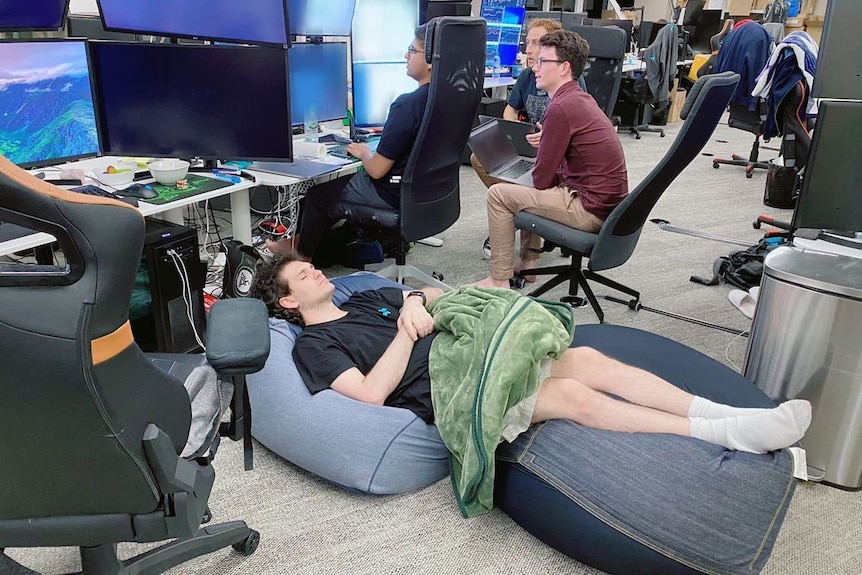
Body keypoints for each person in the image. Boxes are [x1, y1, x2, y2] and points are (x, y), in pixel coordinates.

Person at [250, 252, 812, 455]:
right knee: (568, 393)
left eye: (314, 265)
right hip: (452, 390)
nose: (319, 272)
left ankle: (728, 414)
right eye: (305, 275)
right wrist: (406, 330)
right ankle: (726, 436)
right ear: (288, 302)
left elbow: (440, 297)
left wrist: (418, 301)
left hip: (476, 347)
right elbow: (371, 395)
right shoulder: (315, 346)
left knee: (591, 360)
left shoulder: (367, 293)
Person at [473, 29, 629, 289]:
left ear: (564, 67)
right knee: (518, 187)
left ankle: (498, 281)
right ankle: (528, 263)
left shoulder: (559, 108)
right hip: (605, 205)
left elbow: (542, 180)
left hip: (589, 209)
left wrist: (532, 166)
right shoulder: (578, 99)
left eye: (543, 61)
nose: (535, 67)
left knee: (499, 195)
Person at [266, 24, 432, 260]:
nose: (406, 55)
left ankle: (303, 259)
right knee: (337, 186)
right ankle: (303, 243)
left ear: (430, 60)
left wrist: (365, 152)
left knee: (318, 195)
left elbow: (376, 170)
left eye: (412, 50)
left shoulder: (406, 105)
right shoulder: (446, 98)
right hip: (424, 191)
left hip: (390, 192)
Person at [471, 18, 563, 274]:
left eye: (537, 43)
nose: (529, 49)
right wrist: (510, 131)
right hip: (527, 145)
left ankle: (527, 249)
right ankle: (513, 212)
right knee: (480, 158)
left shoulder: (565, 85)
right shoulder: (527, 76)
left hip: (552, 156)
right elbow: (511, 108)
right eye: (528, 42)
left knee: (526, 183)